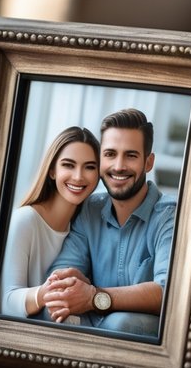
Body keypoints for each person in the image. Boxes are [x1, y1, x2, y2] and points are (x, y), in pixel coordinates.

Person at [43, 108, 177, 337]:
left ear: (148, 162)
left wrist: (94, 296)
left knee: (120, 324)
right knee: (53, 311)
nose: (118, 166)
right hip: (91, 321)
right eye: (110, 154)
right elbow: (60, 272)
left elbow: (167, 292)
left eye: (131, 155)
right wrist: (72, 283)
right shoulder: (89, 209)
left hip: (140, 331)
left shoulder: (169, 216)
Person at [1, 127, 100, 319]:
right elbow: (6, 303)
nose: (78, 176)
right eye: (68, 165)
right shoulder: (25, 220)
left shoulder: (86, 226)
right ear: (52, 170)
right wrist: (44, 293)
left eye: (89, 167)